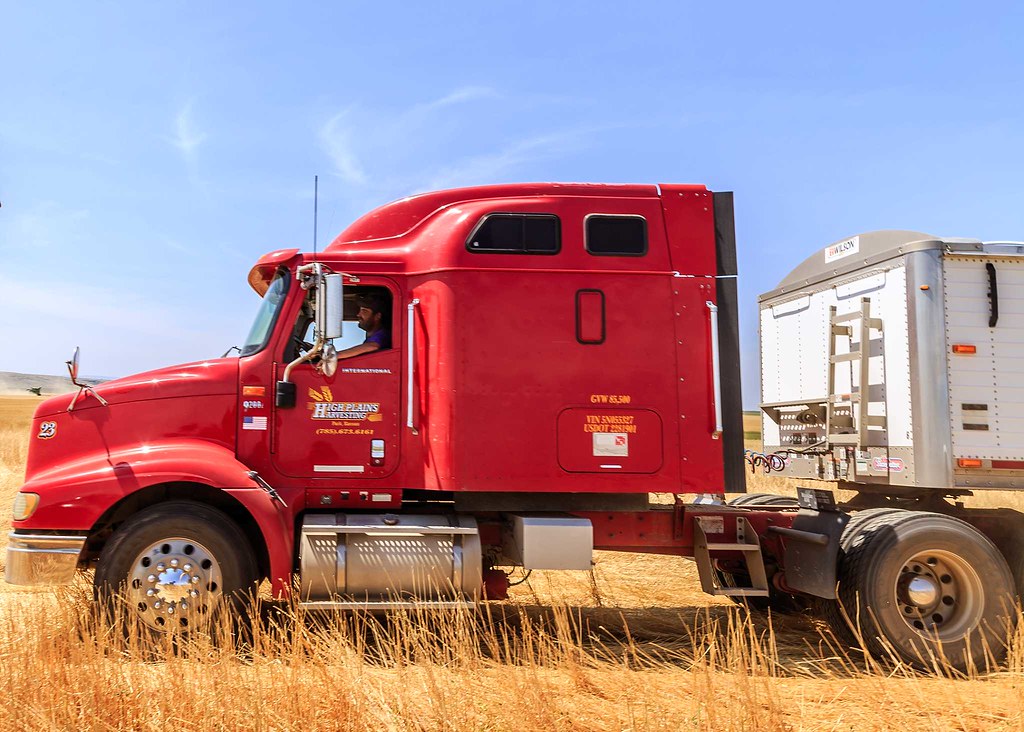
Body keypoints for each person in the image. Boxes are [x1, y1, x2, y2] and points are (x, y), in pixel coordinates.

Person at [337, 292, 391, 359]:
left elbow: (373, 346)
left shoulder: (384, 334)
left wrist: (335, 356)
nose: (358, 314)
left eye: (364, 310)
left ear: (377, 316)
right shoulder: (370, 338)